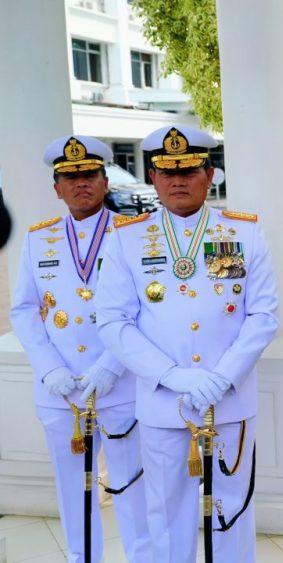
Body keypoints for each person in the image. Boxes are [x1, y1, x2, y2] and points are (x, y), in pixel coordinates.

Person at [95, 125, 279, 563]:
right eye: (167, 171)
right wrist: (172, 375)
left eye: (189, 170)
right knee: (165, 514)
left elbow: (262, 316)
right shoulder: (128, 237)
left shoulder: (241, 233)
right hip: (164, 402)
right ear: (153, 178)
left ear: (209, 175)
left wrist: (221, 378)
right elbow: (114, 320)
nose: (178, 180)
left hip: (229, 402)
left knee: (232, 511)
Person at [10, 135, 151, 562]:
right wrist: (49, 368)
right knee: (73, 490)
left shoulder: (135, 234)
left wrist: (111, 365)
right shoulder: (39, 239)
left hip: (120, 384)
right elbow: (24, 309)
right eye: (70, 177)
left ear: (105, 182)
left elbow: (146, 307)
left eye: (89, 174)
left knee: (132, 488)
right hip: (62, 389)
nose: (81, 183)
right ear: (57, 188)